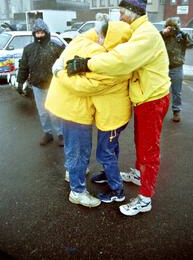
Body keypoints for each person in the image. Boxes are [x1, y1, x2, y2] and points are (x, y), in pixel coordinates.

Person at [66, 0, 171, 216]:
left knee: (148, 148)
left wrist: (87, 63)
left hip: (152, 99)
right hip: (146, 97)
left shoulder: (146, 35)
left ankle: (145, 198)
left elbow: (120, 60)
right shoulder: (138, 30)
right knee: (141, 142)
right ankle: (140, 175)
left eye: (123, 12)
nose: (121, 17)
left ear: (133, 12)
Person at [45, 17, 132, 208]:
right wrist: (60, 73)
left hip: (64, 102)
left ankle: (72, 173)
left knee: (72, 147)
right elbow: (86, 86)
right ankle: (77, 191)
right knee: (79, 152)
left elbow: (64, 60)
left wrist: (58, 70)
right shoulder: (102, 56)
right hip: (75, 108)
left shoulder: (80, 39)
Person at [17, 18, 65, 146]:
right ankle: (47, 133)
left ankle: (61, 134)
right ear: (34, 34)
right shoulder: (28, 49)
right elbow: (24, 66)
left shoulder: (55, 46)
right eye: (37, 33)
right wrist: (20, 82)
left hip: (53, 85)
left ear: (46, 33)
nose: (39, 35)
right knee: (43, 112)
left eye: (42, 32)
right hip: (37, 85)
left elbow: (65, 62)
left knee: (54, 111)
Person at [160, 18, 193, 122]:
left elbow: (192, 44)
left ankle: (176, 111)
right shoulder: (162, 36)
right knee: (161, 92)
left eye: (174, 27)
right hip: (162, 68)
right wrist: (163, 33)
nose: (172, 29)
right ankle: (161, 111)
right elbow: (152, 40)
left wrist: (184, 35)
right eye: (169, 26)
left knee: (176, 92)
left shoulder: (181, 36)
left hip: (177, 67)